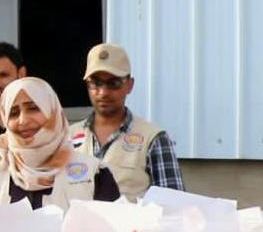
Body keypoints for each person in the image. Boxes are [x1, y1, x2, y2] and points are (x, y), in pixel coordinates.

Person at [0, 78, 120, 209]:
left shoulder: (94, 175)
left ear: (53, 111)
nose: (23, 120)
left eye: (33, 108)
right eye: (13, 112)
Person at [69, 43, 185, 200]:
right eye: (96, 83)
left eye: (113, 83)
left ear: (130, 85)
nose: (103, 92)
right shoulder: (67, 137)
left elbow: (174, 205)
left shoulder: (153, 139)